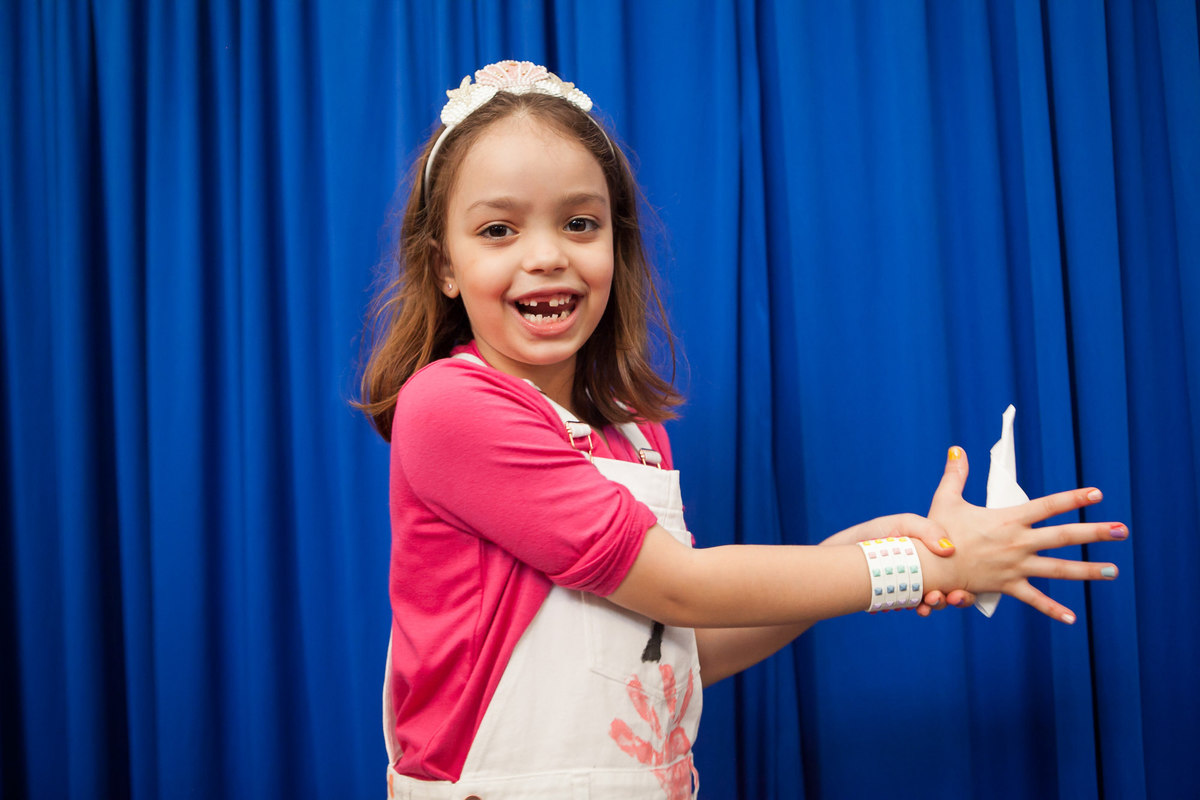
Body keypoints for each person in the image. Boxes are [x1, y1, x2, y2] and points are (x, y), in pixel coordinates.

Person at [356, 61, 1126, 800]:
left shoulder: (634, 434)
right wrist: (918, 571)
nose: (547, 256)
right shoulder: (450, 407)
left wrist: (844, 562)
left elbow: (675, 645)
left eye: (580, 222)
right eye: (498, 231)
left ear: (617, 246)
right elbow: (684, 587)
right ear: (444, 266)